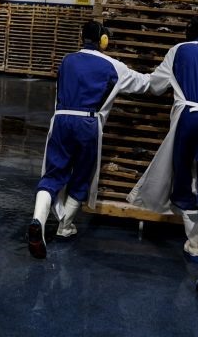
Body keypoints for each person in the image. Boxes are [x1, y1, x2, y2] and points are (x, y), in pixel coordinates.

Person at [128, 13, 198, 294]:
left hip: (186, 119)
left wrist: (124, 76)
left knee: (183, 183)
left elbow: (155, 85)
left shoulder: (179, 50)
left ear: (189, 32)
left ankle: (195, 246)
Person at [28, 20, 151, 259]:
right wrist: (167, 77)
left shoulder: (67, 60)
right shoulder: (112, 65)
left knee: (53, 175)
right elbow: (144, 84)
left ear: (81, 37)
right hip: (87, 123)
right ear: (103, 40)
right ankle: (65, 227)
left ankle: (38, 221)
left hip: (61, 120)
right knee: (82, 175)